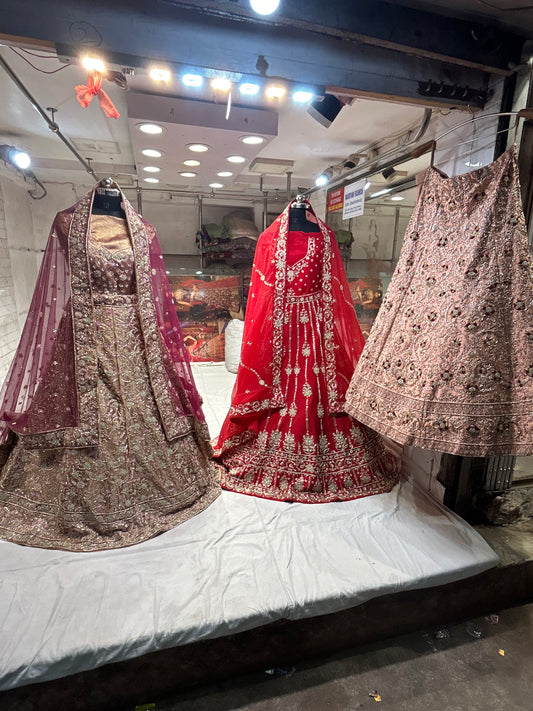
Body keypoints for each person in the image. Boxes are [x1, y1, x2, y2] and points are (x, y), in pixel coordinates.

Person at [0, 182, 220, 551]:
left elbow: (152, 292)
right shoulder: (66, 223)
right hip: (84, 333)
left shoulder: (145, 230)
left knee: (147, 406)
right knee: (85, 410)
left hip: (136, 332)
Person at [214, 200, 398, 503]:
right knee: (282, 386)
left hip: (317, 327)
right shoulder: (268, 239)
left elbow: (335, 288)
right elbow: (261, 292)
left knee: (319, 385)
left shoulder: (326, 236)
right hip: (281, 327)